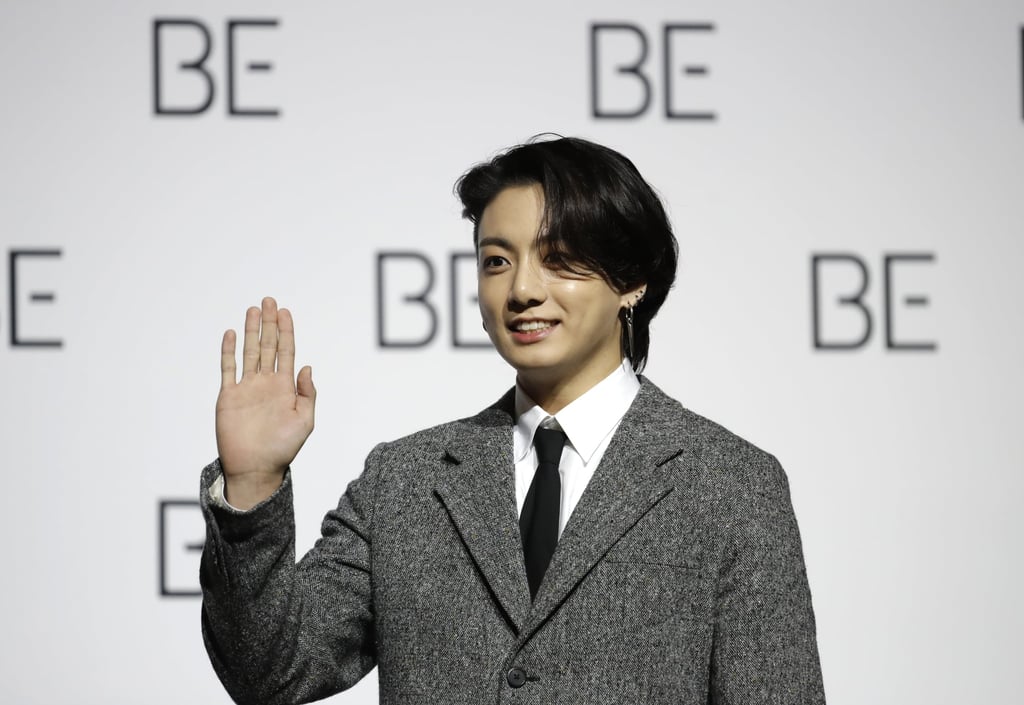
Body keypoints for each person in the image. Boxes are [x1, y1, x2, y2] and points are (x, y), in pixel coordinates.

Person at [200, 136, 826, 705]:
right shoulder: (403, 481)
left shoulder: (731, 486)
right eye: (497, 261)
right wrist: (252, 485)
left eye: (558, 258)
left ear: (632, 279)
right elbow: (271, 671)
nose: (522, 290)